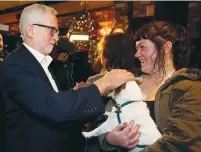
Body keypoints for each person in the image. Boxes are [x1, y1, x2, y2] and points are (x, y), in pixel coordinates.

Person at [0, 4, 136, 152]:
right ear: (31, 30)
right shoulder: (17, 64)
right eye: (52, 30)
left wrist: (74, 94)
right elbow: (52, 106)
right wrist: (103, 85)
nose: (56, 37)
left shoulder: (39, 62)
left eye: (56, 31)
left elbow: (46, 102)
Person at [99, 21, 201, 152]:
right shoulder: (128, 81)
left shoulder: (189, 89)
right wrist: (108, 139)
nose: (136, 54)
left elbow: (177, 143)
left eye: (142, 47)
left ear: (166, 48)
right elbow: (102, 119)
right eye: (136, 48)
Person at [84, 33, 140, 152]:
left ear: (106, 55)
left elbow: (85, 116)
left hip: (99, 145)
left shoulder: (96, 81)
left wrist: (78, 94)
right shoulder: (139, 80)